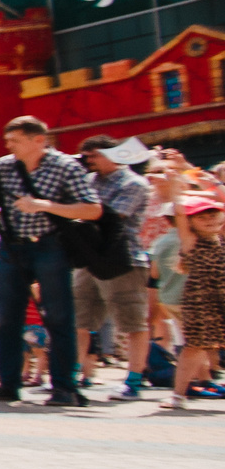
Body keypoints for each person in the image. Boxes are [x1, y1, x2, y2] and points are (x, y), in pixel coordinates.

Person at [0, 116, 101, 407]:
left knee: (59, 317)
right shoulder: (3, 167)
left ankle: (64, 386)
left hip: (49, 246)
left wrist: (45, 206)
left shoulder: (66, 166)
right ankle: (8, 384)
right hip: (12, 248)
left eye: (15, 140)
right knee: (7, 320)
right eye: (7, 140)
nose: (8, 146)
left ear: (39, 140)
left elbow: (92, 209)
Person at [72, 136, 154, 400]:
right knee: (80, 320)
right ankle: (73, 375)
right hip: (87, 257)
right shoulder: (87, 181)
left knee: (132, 323)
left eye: (92, 155)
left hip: (122, 259)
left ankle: (134, 380)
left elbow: (107, 216)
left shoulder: (133, 183)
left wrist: (68, 209)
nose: (87, 161)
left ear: (114, 154)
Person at [160, 185, 224, 411]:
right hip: (201, 302)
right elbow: (179, 210)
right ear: (190, 222)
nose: (208, 219)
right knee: (195, 347)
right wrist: (175, 179)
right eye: (201, 216)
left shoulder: (222, 238)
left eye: (213, 214)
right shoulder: (191, 242)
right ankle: (178, 396)